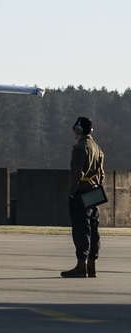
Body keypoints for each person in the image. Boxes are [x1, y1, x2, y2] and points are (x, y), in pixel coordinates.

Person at [62, 116, 105, 278]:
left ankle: (81, 265)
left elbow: (76, 174)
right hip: (94, 190)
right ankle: (92, 266)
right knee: (94, 228)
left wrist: (72, 192)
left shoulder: (80, 148)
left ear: (78, 129)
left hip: (81, 191)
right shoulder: (97, 148)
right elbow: (101, 174)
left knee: (81, 228)